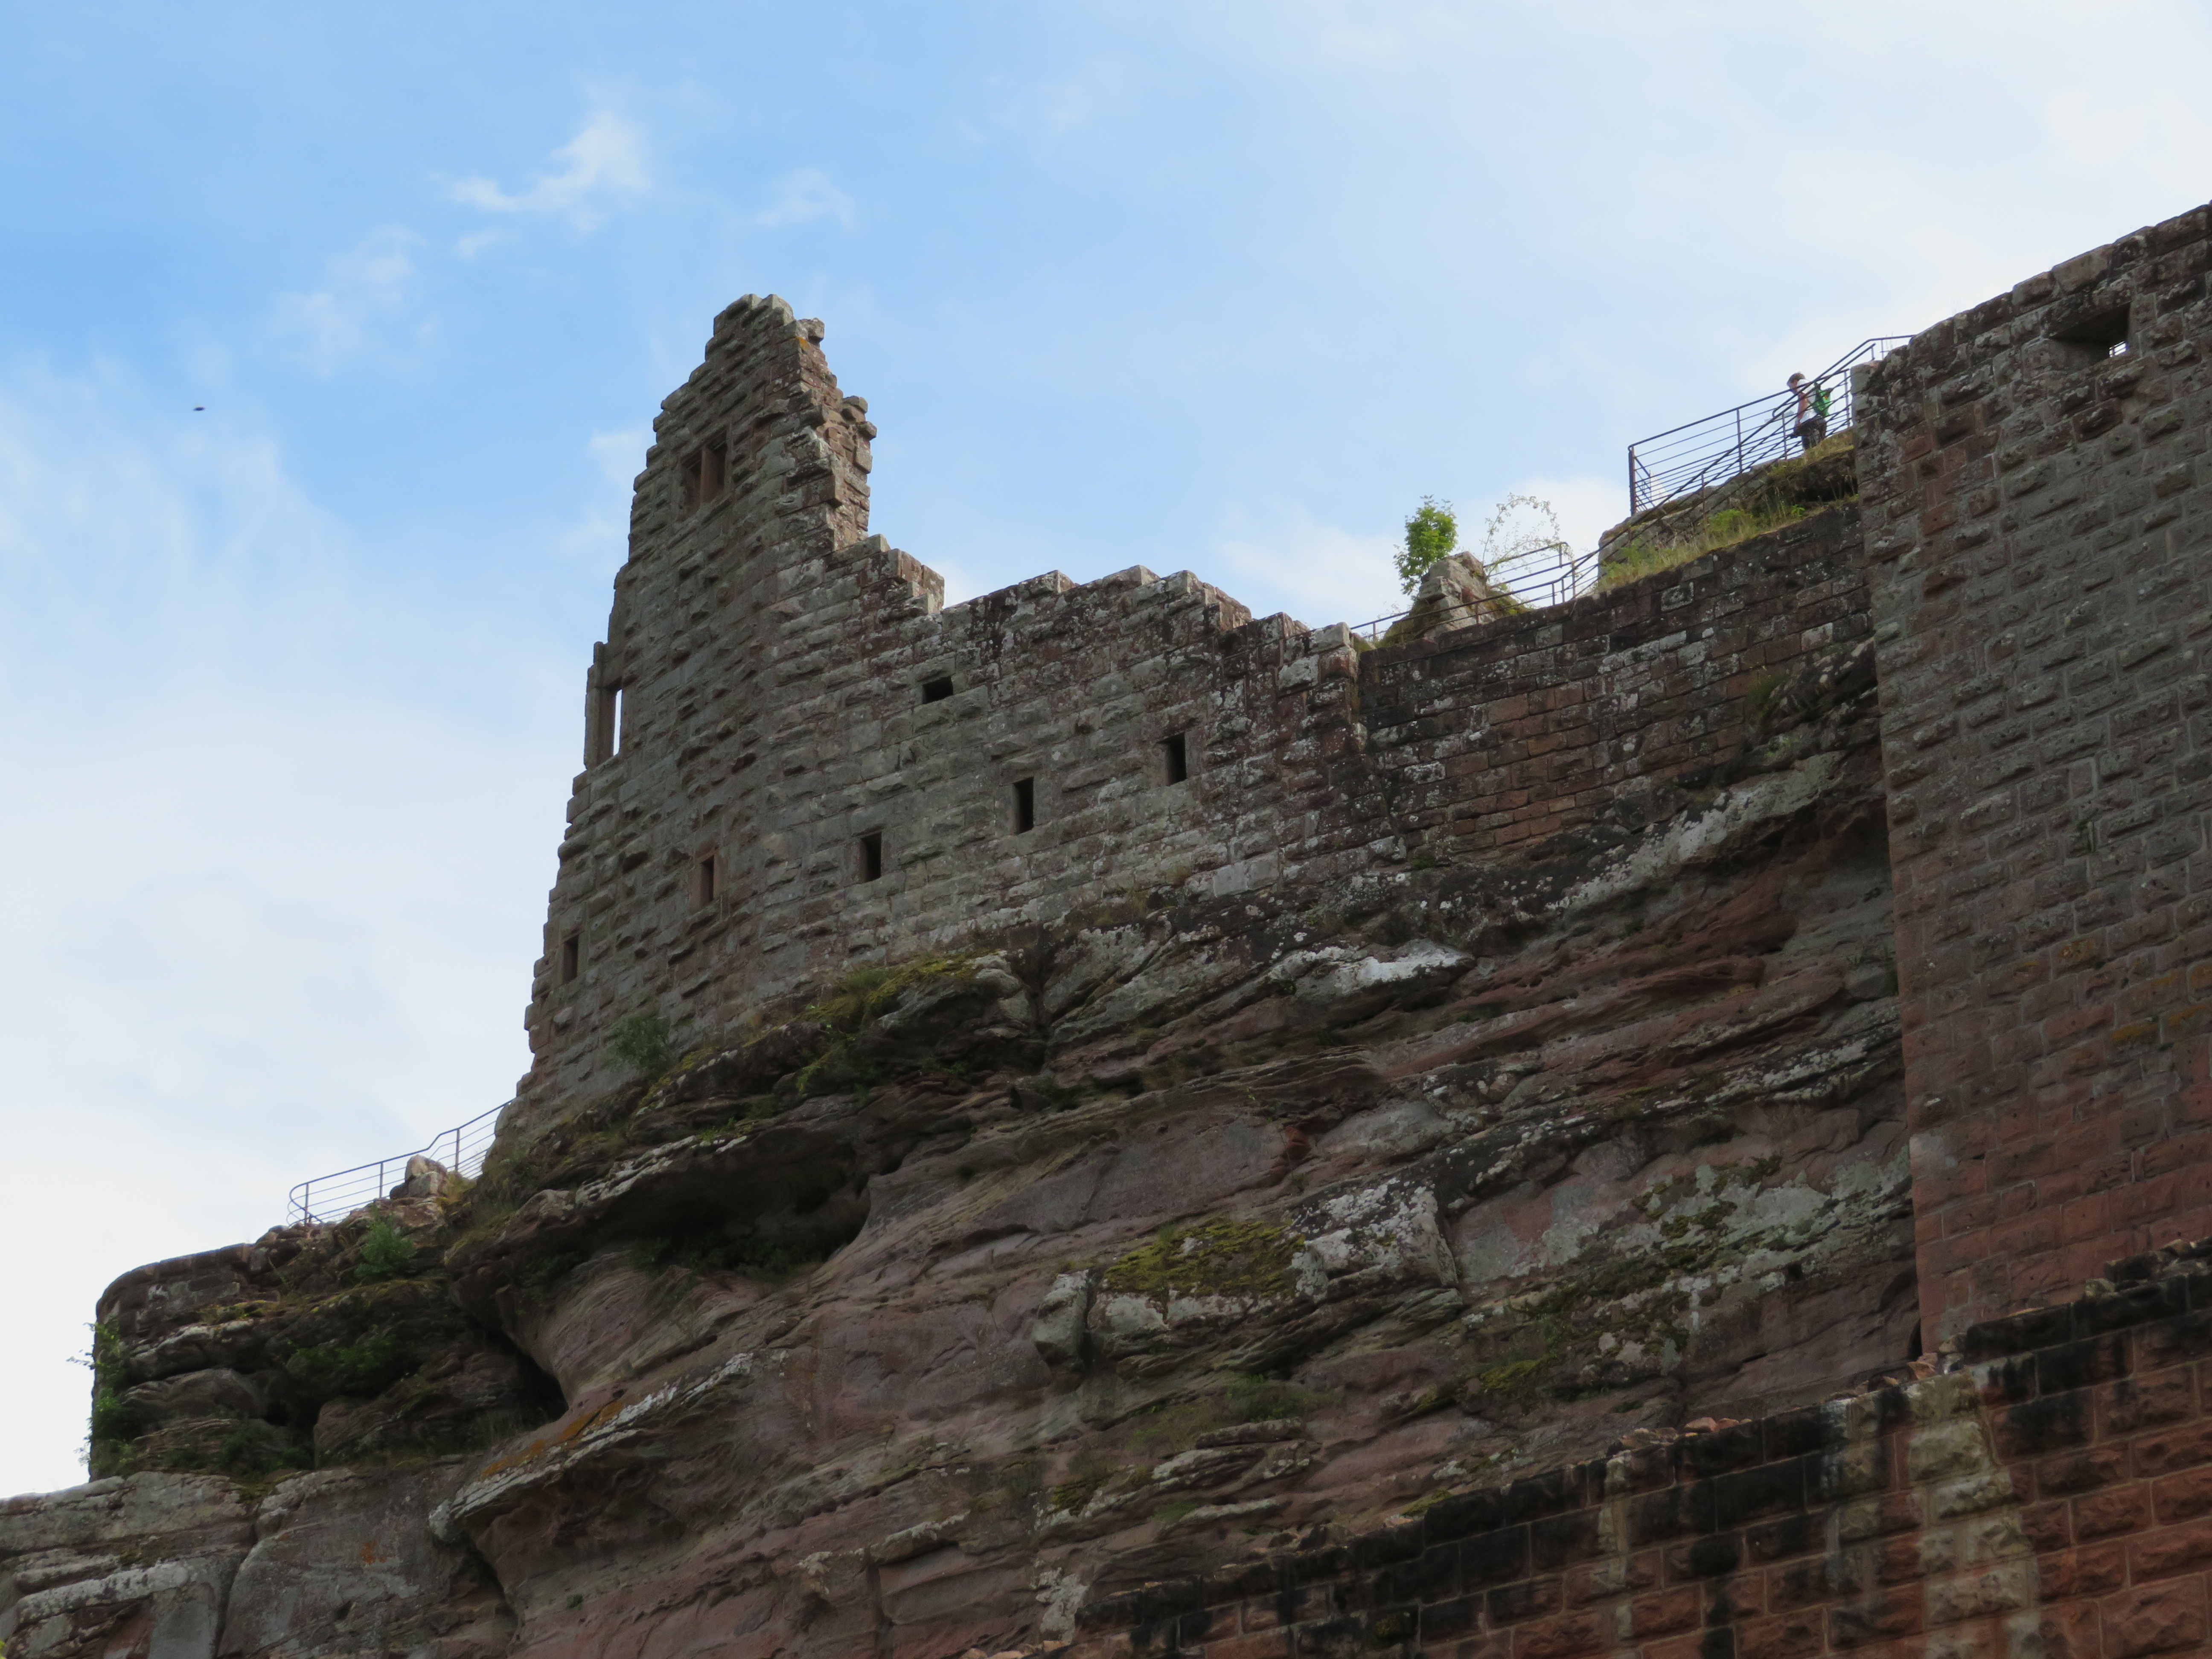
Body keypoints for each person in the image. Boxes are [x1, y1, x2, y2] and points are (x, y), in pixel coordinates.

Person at [1787, 372, 1831, 451]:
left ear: (1795, 381)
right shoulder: (1811, 385)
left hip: (1810, 421)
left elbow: (1803, 400)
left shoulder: (1801, 382)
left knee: (1810, 451)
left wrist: (1799, 420)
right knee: (1819, 449)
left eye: (1791, 387)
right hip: (1819, 420)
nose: (1791, 391)